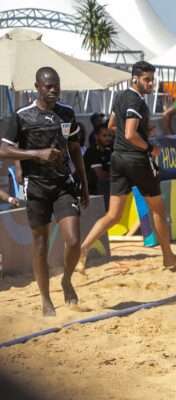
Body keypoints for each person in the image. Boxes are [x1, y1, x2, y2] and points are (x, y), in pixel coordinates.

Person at [77, 61, 176, 271]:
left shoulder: (119, 96)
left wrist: (142, 128)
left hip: (118, 159)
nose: (151, 83)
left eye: (152, 79)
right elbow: (129, 134)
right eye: (147, 79)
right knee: (158, 210)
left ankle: (83, 249)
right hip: (137, 159)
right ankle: (168, 258)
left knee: (113, 215)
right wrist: (149, 148)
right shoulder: (136, 101)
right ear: (135, 79)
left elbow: (111, 125)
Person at [0, 67, 89, 316]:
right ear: (37, 86)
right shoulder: (22, 115)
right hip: (37, 185)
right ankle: (46, 299)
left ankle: (66, 280)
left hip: (63, 183)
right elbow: (3, 150)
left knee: (73, 240)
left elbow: (74, 149)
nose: (53, 90)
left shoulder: (67, 113)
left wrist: (84, 182)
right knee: (40, 244)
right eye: (48, 86)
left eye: (56, 86)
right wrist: (34, 154)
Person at [83, 122, 113, 209]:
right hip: (86, 192)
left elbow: (113, 170)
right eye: (104, 135)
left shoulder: (109, 150)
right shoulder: (92, 151)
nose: (108, 138)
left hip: (99, 190)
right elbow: (101, 175)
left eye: (110, 135)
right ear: (96, 136)